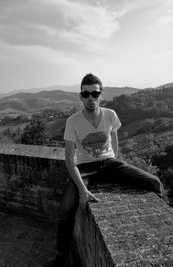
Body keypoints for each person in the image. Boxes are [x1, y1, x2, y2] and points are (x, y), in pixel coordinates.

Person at [48, 73, 163, 266]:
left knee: (154, 182)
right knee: (67, 206)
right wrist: (83, 190)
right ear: (81, 96)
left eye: (95, 93)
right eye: (86, 94)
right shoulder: (73, 121)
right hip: (85, 167)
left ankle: (160, 229)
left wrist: (115, 163)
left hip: (109, 163)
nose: (91, 98)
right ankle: (61, 257)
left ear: (101, 94)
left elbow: (115, 141)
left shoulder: (110, 115)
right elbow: (69, 159)